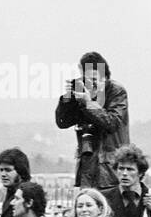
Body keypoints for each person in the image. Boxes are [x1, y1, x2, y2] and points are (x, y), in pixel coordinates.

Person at [55, 51, 129, 190]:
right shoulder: (83, 92)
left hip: (111, 170)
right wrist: (68, 99)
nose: (91, 83)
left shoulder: (116, 92)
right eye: (87, 79)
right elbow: (62, 122)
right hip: (87, 168)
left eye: (95, 79)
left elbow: (112, 123)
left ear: (105, 77)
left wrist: (88, 103)